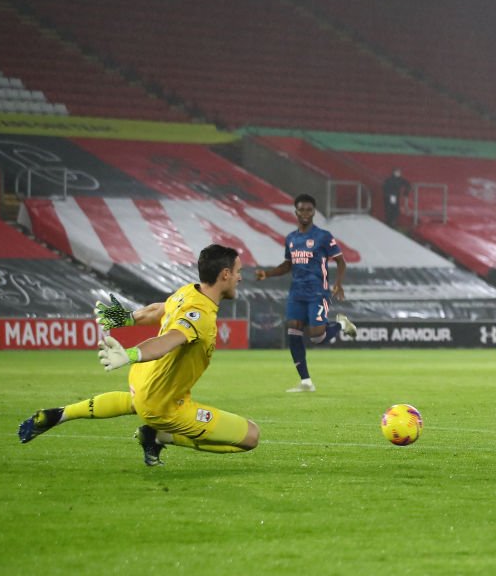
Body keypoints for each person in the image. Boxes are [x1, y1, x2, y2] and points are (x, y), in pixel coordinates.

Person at [18, 244, 259, 467]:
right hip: (163, 404)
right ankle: (160, 435)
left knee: (137, 402)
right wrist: (130, 354)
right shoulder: (201, 314)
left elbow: (159, 309)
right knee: (251, 436)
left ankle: (59, 414)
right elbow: (169, 340)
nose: (240, 278)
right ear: (225, 274)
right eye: (238, 271)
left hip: (144, 380)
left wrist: (127, 318)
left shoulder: (188, 292)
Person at [256, 193, 356, 393]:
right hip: (296, 293)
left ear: (314, 212)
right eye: (301, 209)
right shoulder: (291, 239)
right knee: (293, 331)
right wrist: (267, 274)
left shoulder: (323, 236)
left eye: (309, 210)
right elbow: (288, 265)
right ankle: (306, 382)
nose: (305, 213)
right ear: (296, 212)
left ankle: (340, 324)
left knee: (317, 336)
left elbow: (341, 261)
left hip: (317, 292)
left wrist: (338, 284)